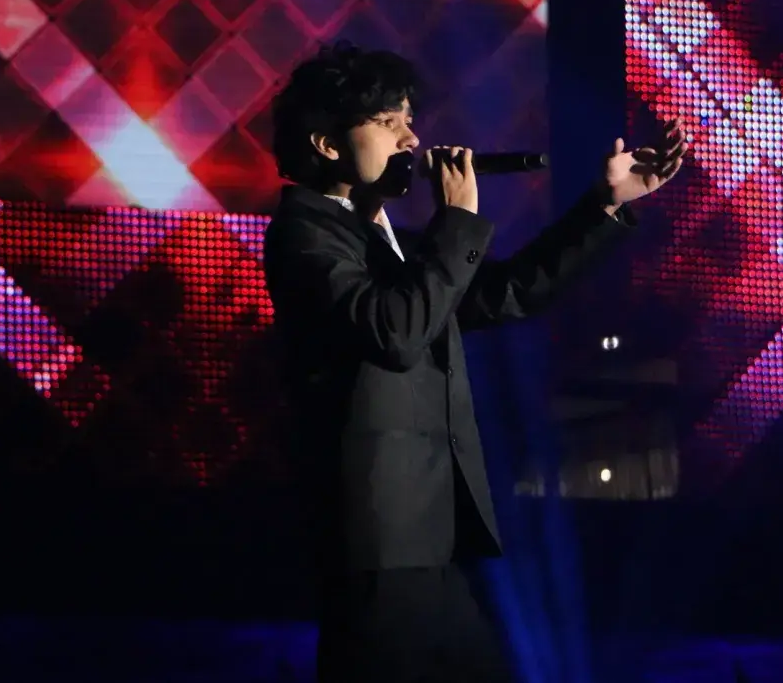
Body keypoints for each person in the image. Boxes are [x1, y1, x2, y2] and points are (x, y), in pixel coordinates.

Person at [263, 42, 686, 682]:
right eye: (388, 122)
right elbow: (395, 330)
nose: (411, 138)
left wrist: (605, 204)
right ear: (327, 143)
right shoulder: (305, 233)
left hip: (430, 534)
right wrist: (457, 220)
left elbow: (506, 293)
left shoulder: (389, 241)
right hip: (378, 538)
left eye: (409, 119)